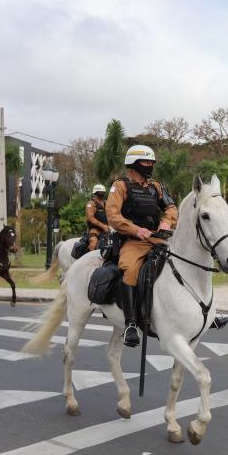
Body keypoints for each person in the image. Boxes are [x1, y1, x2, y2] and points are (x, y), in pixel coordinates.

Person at [106, 145, 179, 347]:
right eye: (146, 162)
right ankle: (130, 324)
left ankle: (203, 312)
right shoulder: (120, 186)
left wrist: (167, 222)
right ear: (134, 163)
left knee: (185, 260)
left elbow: (171, 207)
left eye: (152, 162)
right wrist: (135, 229)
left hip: (158, 238)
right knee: (129, 270)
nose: (150, 165)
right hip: (133, 241)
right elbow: (112, 215)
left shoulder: (156, 186)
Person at [85, 184, 110, 252]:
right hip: (95, 229)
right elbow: (90, 218)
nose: (102, 194)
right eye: (100, 192)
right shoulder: (91, 204)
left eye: (103, 192)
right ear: (96, 193)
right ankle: (88, 256)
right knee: (93, 244)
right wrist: (103, 226)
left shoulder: (106, 203)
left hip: (107, 228)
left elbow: (111, 215)